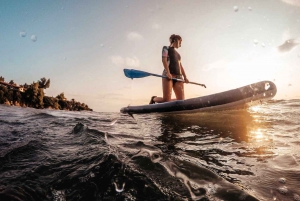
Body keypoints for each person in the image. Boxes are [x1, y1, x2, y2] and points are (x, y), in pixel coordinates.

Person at [149, 34, 189, 104]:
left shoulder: (178, 54)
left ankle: (172, 103)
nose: (180, 45)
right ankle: (154, 99)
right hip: (168, 75)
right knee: (166, 101)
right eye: (180, 42)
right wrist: (168, 72)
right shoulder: (166, 48)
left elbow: (181, 66)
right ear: (176, 40)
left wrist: (185, 77)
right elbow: (164, 60)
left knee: (181, 101)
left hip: (179, 77)